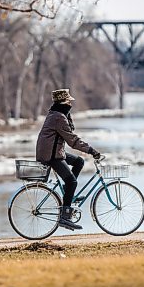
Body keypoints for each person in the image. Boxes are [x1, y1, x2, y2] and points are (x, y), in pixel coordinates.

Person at [36, 89, 100, 230]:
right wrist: (91, 150)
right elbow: (72, 141)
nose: (71, 102)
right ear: (63, 102)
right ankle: (64, 217)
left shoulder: (58, 114)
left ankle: (67, 194)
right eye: (68, 101)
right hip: (50, 155)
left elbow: (69, 131)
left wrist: (67, 113)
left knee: (79, 162)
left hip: (54, 151)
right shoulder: (58, 117)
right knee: (72, 181)